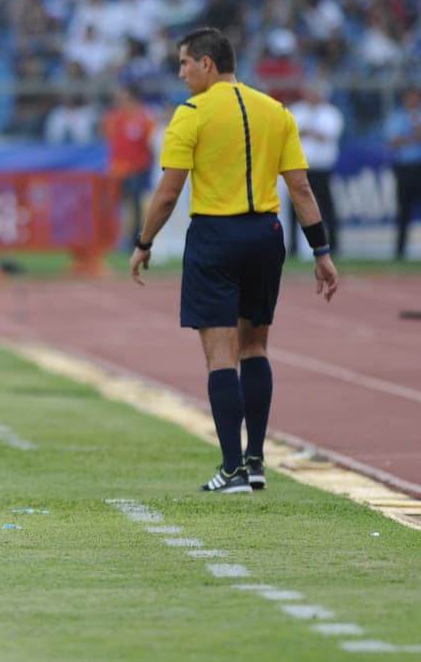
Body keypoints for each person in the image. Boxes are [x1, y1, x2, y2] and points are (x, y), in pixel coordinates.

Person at [130, 28, 339, 494]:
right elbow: (301, 187)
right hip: (265, 235)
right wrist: (321, 251)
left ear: (207, 63)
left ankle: (231, 470)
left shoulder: (191, 114)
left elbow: (168, 192)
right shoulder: (276, 111)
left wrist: (144, 241)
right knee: (256, 347)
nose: (180, 73)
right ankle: (256, 461)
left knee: (220, 354)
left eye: (184, 63)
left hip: (215, 237)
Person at [287, 79, 343, 254]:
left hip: (322, 167)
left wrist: (306, 132)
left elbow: (327, 135)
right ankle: (294, 246)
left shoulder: (331, 113)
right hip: (299, 168)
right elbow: (289, 134)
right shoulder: (297, 110)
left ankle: (334, 244)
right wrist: (310, 133)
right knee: (295, 208)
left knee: (327, 207)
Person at [101, 84, 156, 243]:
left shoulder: (144, 117)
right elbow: (109, 138)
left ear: (132, 98)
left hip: (137, 169)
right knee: (118, 204)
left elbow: (150, 143)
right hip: (117, 169)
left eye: (123, 96)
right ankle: (118, 236)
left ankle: (134, 237)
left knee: (136, 204)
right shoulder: (113, 117)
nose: (119, 100)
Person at [386, 87, 421, 261]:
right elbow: (394, 141)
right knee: (403, 209)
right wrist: (414, 136)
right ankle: (400, 250)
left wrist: (410, 133)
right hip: (404, 167)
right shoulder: (397, 116)